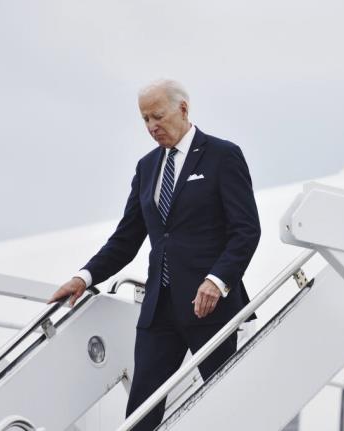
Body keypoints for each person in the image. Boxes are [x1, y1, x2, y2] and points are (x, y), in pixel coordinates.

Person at [47, 79, 261, 430]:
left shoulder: (222, 155)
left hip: (209, 306)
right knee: (141, 413)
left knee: (227, 408)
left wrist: (217, 280)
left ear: (183, 109)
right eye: (144, 120)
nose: (151, 127)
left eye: (157, 116)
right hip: (159, 309)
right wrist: (83, 277)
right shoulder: (147, 167)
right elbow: (127, 238)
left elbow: (246, 230)